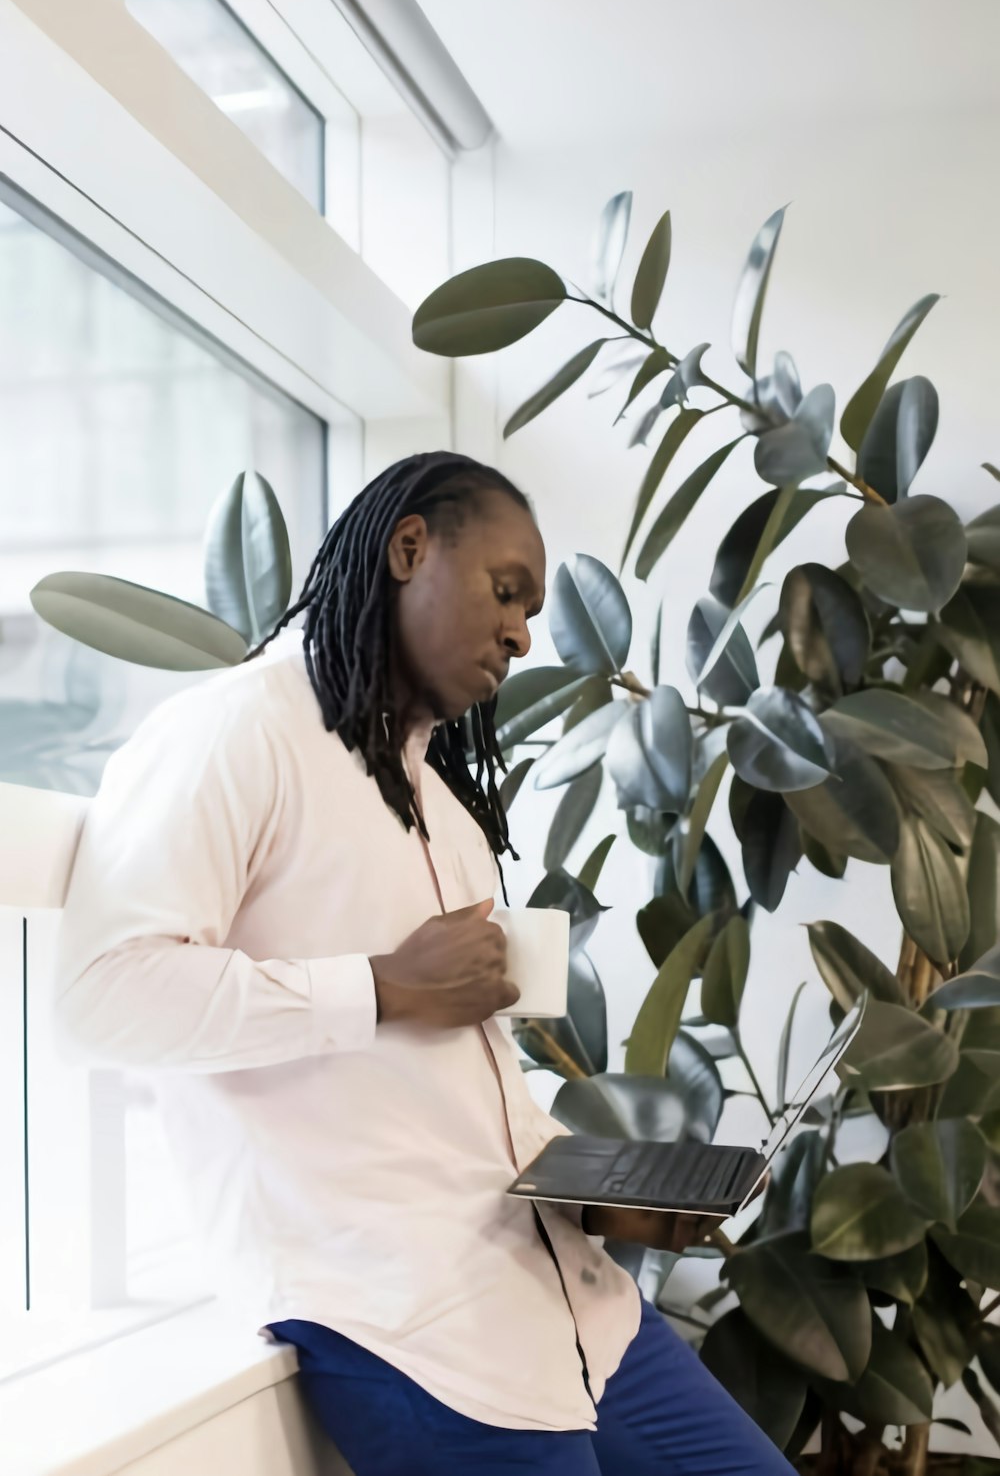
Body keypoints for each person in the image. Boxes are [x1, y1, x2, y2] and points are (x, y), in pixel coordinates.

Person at [53, 451, 794, 1475]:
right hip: (409, 1329)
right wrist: (383, 984)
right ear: (409, 548)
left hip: (577, 1308)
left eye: (530, 611)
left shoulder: (446, 814)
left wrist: (596, 1192)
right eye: (505, 592)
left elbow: (465, 1082)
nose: (523, 633)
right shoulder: (229, 735)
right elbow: (105, 997)